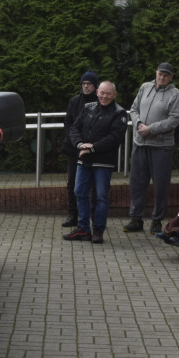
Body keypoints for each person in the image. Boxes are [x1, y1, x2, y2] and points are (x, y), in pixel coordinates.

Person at [64, 81, 127, 244]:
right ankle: (83, 229)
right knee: (79, 192)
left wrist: (92, 148)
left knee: (101, 196)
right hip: (84, 159)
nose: (104, 96)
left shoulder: (119, 113)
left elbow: (115, 138)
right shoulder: (88, 107)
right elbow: (74, 128)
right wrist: (79, 144)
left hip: (104, 162)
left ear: (115, 95)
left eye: (108, 94)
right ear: (97, 92)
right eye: (102, 93)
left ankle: (98, 230)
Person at [124, 62, 179, 234]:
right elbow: (133, 109)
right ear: (156, 73)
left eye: (166, 75)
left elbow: (173, 119)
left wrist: (151, 129)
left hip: (161, 146)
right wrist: (139, 124)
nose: (162, 77)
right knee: (137, 182)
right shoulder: (145, 87)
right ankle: (136, 218)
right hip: (140, 143)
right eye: (160, 74)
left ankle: (157, 219)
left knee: (161, 184)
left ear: (171, 77)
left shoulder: (175, 94)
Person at [62, 70, 100, 227]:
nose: (85, 87)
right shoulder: (74, 101)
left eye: (89, 84)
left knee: (95, 184)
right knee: (72, 183)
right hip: (75, 149)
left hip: (94, 149)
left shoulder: (100, 102)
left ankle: (94, 214)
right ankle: (73, 214)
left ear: (95, 86)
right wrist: (76, 142)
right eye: (83, 84)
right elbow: (68, 123)